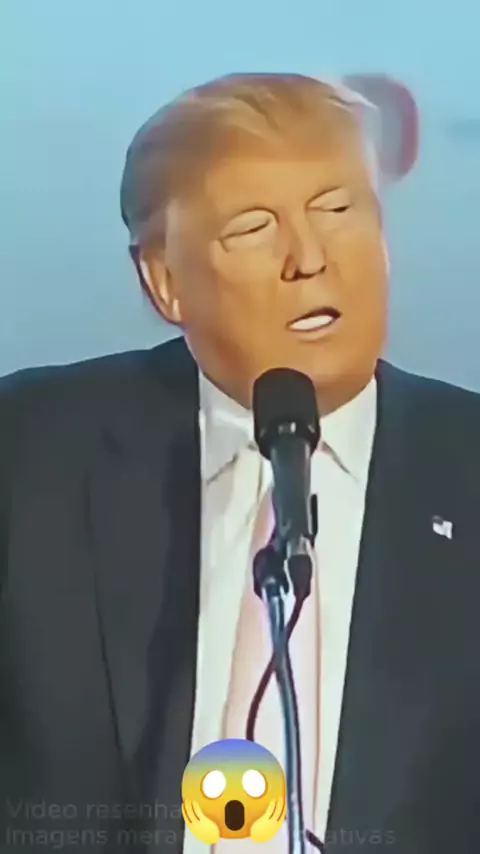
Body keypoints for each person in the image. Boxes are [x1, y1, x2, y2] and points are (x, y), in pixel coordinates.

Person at [1, 72, 479, 854]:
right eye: (254, 228)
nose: (309, 258)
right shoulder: (28, 452)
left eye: (338, 211)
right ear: (164, 282)